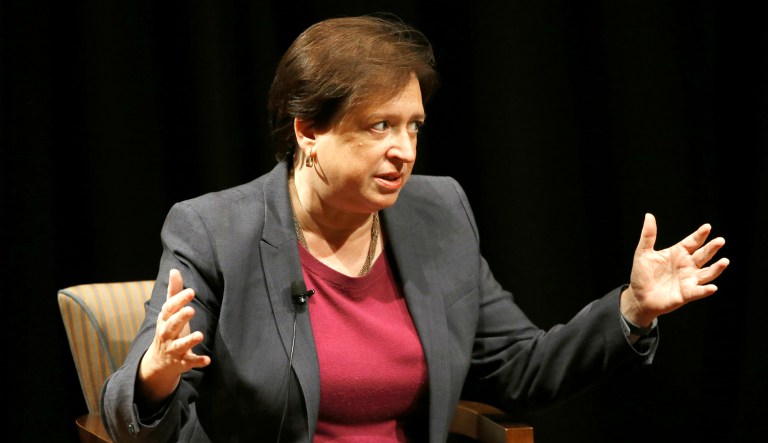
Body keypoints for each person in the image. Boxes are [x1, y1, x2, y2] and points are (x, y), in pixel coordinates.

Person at [100, 14, 729, 443]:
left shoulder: (438, 215)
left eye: (414, 127)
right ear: (307, 131)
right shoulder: (214, 229)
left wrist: (632, 309)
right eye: (380, 126)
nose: (404, 150)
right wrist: (156, 376)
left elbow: (519, 368)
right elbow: (129, 410)